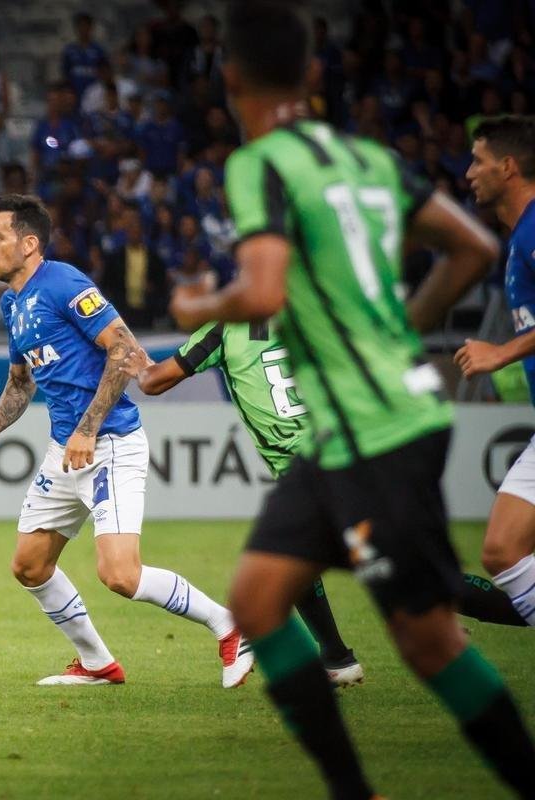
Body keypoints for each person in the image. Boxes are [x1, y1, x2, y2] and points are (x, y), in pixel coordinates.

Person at [168, 5, 534, 797]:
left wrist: (199, 308)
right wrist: (404, 331)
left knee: (429, 639)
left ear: (230, 80)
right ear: (312, 75)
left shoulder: (258, 163)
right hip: (364, 425)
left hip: (373, 432)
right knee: (259, 598)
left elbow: (261, 286)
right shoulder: (365, 157)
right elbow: (472, 246)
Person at [0, 194, 253, 688]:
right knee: (30, 566)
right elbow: (20, 382)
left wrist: (88, 428)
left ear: (29, 243)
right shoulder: (13, 303)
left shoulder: (65, 283)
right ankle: (97, 662)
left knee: (121, 575)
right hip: (65, 452)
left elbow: (124, 351)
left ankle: (228, 626)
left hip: (110, 444)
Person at [133, 321, 364, 685]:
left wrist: (128, 355)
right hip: (346, 451)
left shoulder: (226, 328)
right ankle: (336, 658)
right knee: (293, 562)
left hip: (311, 468)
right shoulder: (305, 307)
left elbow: (152, 381)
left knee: (267, 579)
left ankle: (318, 670)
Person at [454, 114, 535, 627]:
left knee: (503, 548)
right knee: (502, 550)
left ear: (507, 166)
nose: (468, 173)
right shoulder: (519, 237)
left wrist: (500, 353)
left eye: (478, 161)